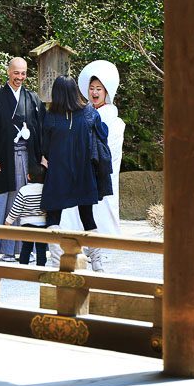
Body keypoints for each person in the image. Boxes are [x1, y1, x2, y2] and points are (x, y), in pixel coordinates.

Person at [56, 61, 125, 272]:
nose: (94, 93)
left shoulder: (115, 120)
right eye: (92, 88)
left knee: (101, 208)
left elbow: (110, 149)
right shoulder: (81, 113)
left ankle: (101, 248)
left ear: (107, 92)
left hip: (101, 171)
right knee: (77, 211)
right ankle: (76, 246)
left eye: (99, 89)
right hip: (81, 170)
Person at [0, 57, 45, 262]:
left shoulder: (32, 98)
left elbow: (42, 130)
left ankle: (29, 248)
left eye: (23, 73)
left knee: (30, 203)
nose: (20, 77)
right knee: (8, 202)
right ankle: (8, 249)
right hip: (5, 158)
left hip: (29, 158)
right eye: (16, 73)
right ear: (9, 72)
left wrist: (43, 157)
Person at [40, 76, 112, 259]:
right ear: (75, 91)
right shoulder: (89, 113)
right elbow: (103, 134)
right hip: (84, 172)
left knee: (53, 217)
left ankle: (56, 262)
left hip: (58, 173)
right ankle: (97, 263)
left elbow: (44, 147)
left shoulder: (50, 117)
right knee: (87, 217)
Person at [4, 162, 48, 266]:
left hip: (27, 225)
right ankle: (41, 267)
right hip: (42, 224)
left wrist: (8, 221)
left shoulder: (24, 190)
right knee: (41, 248)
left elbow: (16, 208)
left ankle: (23, 265)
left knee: (26, 247)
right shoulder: (46, 190)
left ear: (28, 176)